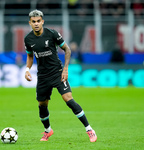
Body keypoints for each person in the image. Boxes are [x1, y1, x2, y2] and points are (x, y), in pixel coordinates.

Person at [24, 9, 97, 142]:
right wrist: (27, 69)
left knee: (69, 99)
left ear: (42, 22)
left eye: (38, 21)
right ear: (30, 23)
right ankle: (48, 131)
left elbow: (67, 49)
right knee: (42, 105)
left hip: (57, 73)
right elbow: (30, 55)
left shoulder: (52, 34)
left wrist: (65, 69)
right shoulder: (28, 39)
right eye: (33, 22)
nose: (36, 24)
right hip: (43, 76)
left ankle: (89, 129)